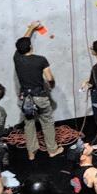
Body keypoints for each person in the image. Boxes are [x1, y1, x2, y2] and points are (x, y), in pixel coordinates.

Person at [12, 20, 63, 160]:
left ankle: (31, 152)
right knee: (47, 122)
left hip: (25, 98)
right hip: (40, 96)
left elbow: (23, 42)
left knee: (29, 124)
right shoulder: (41, 60)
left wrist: (31, 28)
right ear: (31, 47)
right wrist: (51, 85)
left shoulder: (17, 58)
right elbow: (50, 77)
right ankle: (52, 150)